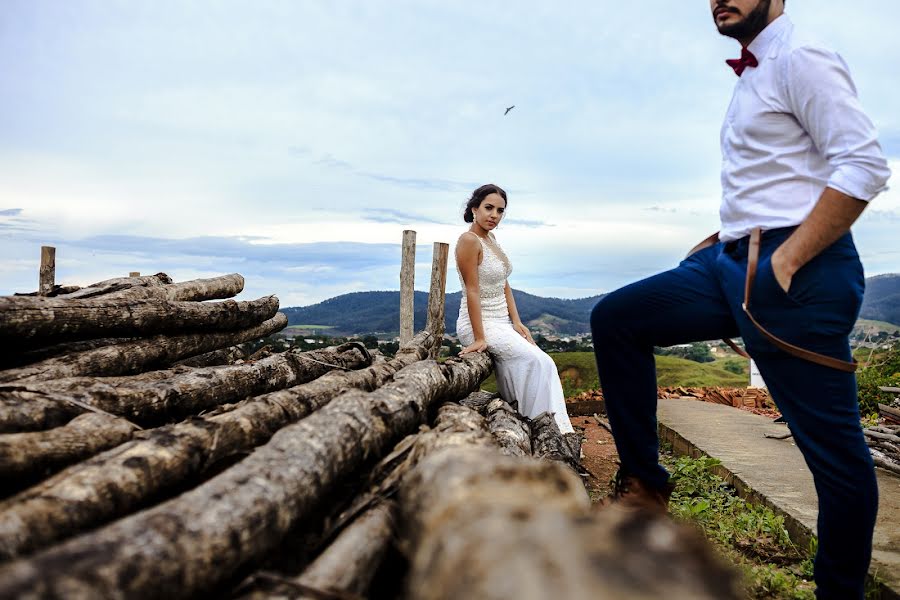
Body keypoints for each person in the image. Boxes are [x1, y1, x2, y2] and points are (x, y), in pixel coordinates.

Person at [589, 1, 890, 598]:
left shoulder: (801, 55)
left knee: (836, 461)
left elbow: (863, 164)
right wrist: (720, 246)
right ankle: (646, 487)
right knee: (616, 319)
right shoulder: (755, 70)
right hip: (732, 260)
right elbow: (773, 179)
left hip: (794, 273)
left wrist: (787, 259)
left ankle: (839, 592)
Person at [456, 183, 575, 435]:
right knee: (536, 360)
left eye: (500, 211)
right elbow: (472, 291)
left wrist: (517, 322)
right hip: (479, 322)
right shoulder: (469, 241)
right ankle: (535, 426)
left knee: (546, 363)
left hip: (503, 322)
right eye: (488, 208)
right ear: (474, 208)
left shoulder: (491, 240)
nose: (494, 216)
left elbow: (504, 285)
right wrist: (479, 337)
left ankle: (555, 430)